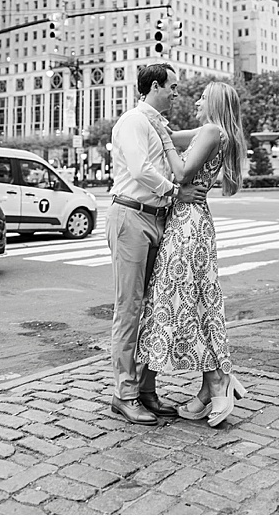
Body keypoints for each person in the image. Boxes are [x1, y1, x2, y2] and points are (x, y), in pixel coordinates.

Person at [139, 81, 251, 426]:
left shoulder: (213, 130)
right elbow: (172, 135)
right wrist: (160, 127)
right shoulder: (213, 133)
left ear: (214, 103)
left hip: (188, 224)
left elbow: (182, 172)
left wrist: (168, 142)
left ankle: (217, 382)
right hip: (190, 221)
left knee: (183, 300)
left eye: (202, 98)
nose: (196, 102)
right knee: (196, 300)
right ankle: (212, 385)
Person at [105, 62, 206, 425]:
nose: (177, 93)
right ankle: (124, 395)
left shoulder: (158, 125)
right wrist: (178, 191)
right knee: (130, 308)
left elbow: (189, 138)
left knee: (154, 306)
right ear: (155, 87)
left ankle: (147, 389)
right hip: (131, 215)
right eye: (173, 87)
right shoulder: (133, 121)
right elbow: (139, 169)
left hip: (157, 218)